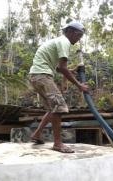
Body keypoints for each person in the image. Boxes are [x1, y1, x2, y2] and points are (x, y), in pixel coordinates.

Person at [29, 21, 89, 153]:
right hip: (42, 76)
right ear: (71, 32)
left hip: (36, 76)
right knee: (59, 107)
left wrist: (71, 70)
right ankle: (58, 144)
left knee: (52, 108)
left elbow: (59, 68)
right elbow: (62, 68)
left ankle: (37, 134)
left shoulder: (59, 41)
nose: (79, 39)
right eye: (79, 35)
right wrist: (79, 85)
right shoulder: (64, 42)